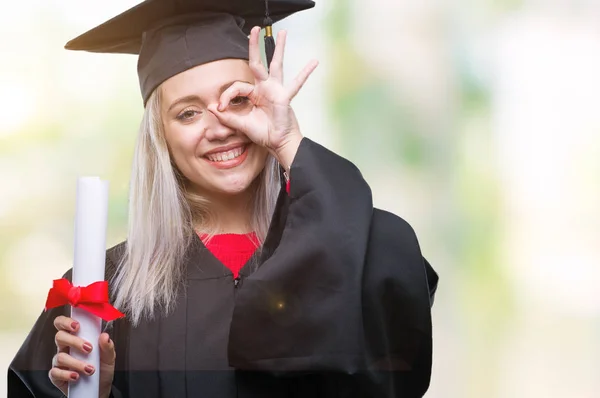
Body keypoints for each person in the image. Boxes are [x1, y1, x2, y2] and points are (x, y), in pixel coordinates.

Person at [8, 0, 439, 397]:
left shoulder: (346, 251)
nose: (218, 127)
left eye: (238, 98)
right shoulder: (108, 289)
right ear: (161, 139)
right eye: (188, 112)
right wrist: (94, 394)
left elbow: (397, 358)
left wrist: (288, 142)